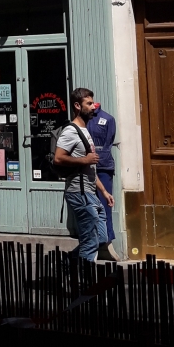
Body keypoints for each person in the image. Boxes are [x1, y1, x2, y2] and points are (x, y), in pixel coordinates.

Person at [54, 88, 115, 262]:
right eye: (89, 103)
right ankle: (84, 276)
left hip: (90, 193)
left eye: (93, 103)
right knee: (90, 241)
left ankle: (67, 263)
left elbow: (90, 169)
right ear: (77, 106)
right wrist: (85, 159)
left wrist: (104, 191)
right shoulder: (70, 131)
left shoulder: (85, 130)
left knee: (101, 237)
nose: (93, 107)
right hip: (79, 193)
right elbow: (58, 158)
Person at [87, 101, 117, 251]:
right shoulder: (81, 120)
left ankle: (107, 239)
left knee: (105, 204)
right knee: (87, 205)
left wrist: (99, 158)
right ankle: (91, 239)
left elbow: (109, 142)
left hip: (102, 165)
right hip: (85, 164)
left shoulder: (108, 119)